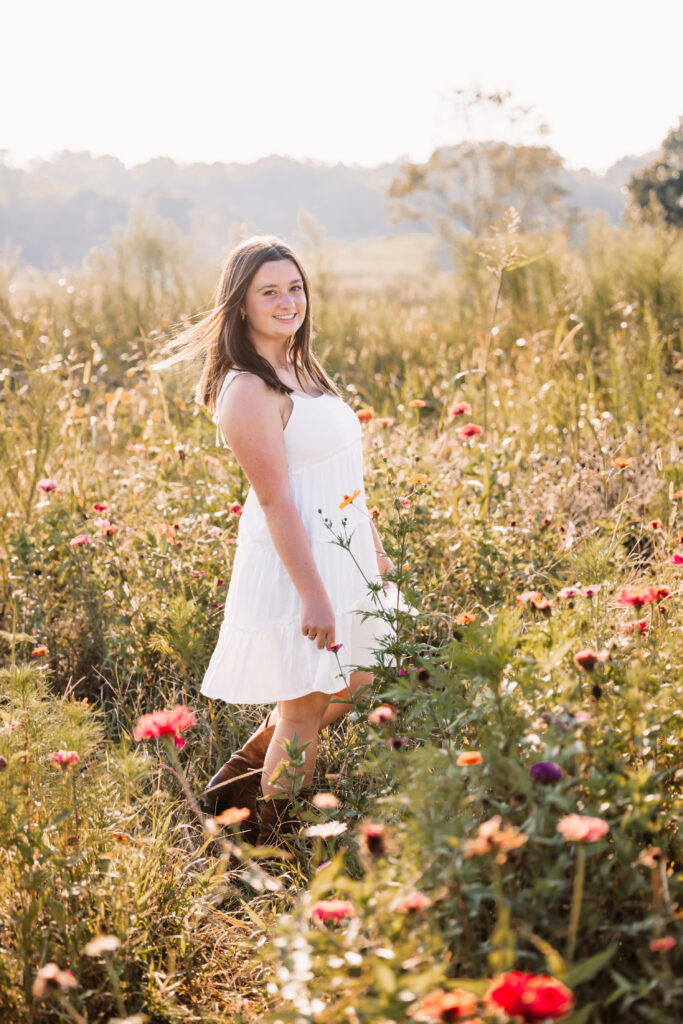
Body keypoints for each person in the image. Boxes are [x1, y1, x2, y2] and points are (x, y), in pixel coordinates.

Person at [153, 235, 396, 847]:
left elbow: (341, 472)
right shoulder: (248, 390)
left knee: (365, 677)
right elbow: (276, 501)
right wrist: (313, 595)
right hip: (297, 565)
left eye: (295, 287)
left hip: (342, 553)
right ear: (240, 305)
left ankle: (232, 788)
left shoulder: (301, 365)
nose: (288, 301)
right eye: (270, 291)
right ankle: (272, 844)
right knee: (302, 712)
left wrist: (370, 543)